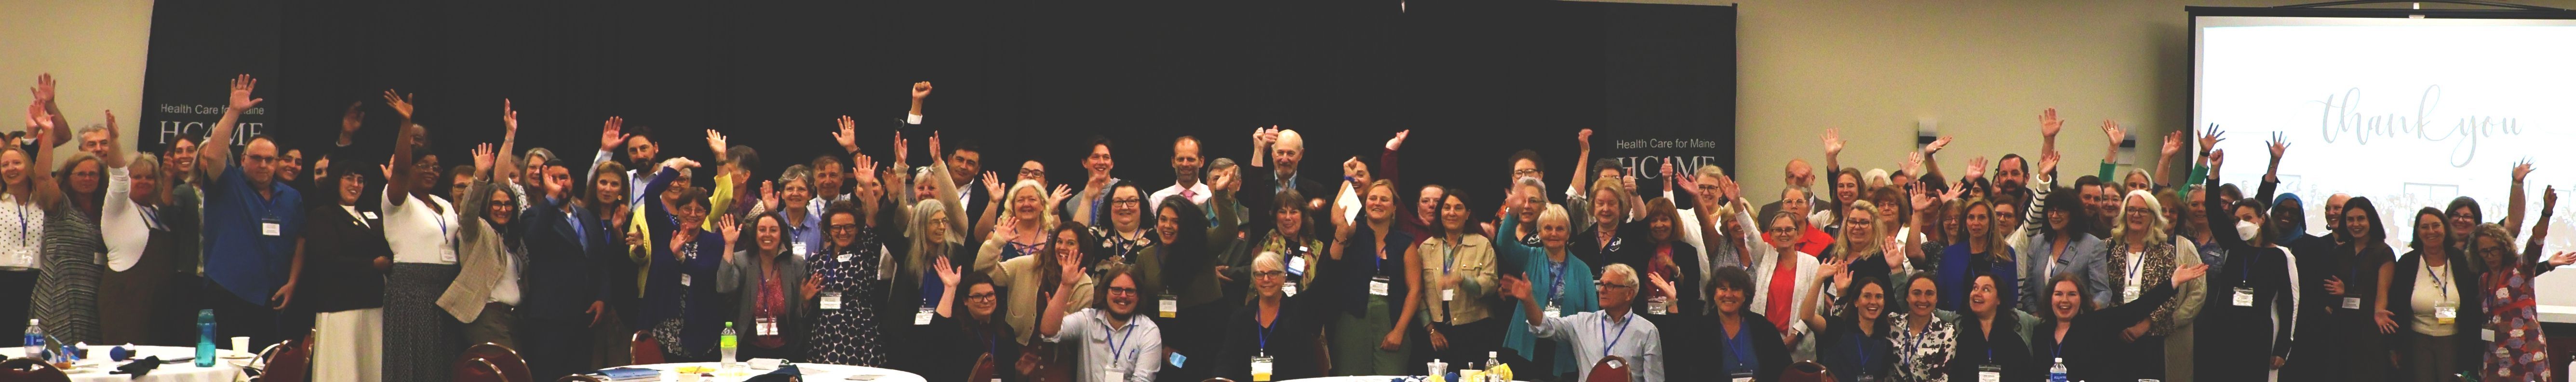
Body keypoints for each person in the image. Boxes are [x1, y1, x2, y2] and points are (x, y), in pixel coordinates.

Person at [2195, 155, 2298, 381]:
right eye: (2238, 219)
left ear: (2262, 219)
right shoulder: (2233, 246)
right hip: (2224, 331)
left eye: (2248, 218)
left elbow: (2288, 304)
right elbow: (2213, 211)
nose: (2242, 224)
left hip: (2258, 335)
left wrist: (2283, 347)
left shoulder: (2279, 256)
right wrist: (2214, 172)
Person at [374, 90, 451, 382]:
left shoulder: (444, 204)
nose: (431, 171)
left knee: (442, 366)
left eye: (436, 167)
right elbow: (402, 168)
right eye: (424, 166)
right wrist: (406, 124)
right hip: (412, 292)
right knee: (413, 367)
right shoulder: (398, 201)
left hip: (446, 294)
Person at [1321, 179, 1423, 376]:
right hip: (1353, 320)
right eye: (1372, 198)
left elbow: (1415, 290)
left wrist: (1399, 331)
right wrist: (1347, 180)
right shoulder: (1354, 230)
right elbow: (1337, 219)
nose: (1377, 203)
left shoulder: (1405, 242)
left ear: (1394, 208)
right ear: (1365, 204)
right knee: (1353, 378)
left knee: (1391, 376)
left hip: (1391, 320)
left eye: (1384, 200)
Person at [2100, 189, 2203, 382]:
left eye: (2142, 211)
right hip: (2114, 336)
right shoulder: (2108, 248)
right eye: (2131, 210)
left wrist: (2145, 324)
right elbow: (2102, 291)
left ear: (2153, 216)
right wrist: (2119, 325)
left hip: (2151, 337)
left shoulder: (2166, 252)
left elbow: (2171, 296)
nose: (2136, 215)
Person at [439, 141, 527, 354]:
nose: (503, 209)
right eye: (497, 204)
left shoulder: (513, 239)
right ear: (487, 206)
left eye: (508, 204)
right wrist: (479, 177)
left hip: (514, 319)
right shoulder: (477, 230)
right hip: (487, 317)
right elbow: (468, 213)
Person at [636, 159, 727, 362]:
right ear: (678, 210)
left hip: (701, 327)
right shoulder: (665, 233)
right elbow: (651, 193)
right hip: (663, 327)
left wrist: (681, 257)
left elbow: (706, 274)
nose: (692, 215)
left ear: (706, 215)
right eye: (687, 209)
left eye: (699, 211)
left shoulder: (714, 241)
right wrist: (676, 167)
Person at [1498, 202, 1597, 379]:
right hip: (1528, 344)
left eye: (1560, 229)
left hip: (1565, 348)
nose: (1553, 233)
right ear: (1540, 232)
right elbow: (1503, 243)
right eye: (1548, 228)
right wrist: (1513, 213)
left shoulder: (1583, 270)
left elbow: (1593, 317)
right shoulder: (1529, 257)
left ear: (1568, 234)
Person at [2384, 207, 2481, 381]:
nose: (2431, 232)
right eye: (2425, 227)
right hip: (2416, 340)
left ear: (2445, 228)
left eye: (2436, 226)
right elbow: (2396, 305)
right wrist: (2394, 346)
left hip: (2455, 340)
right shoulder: (2407, 263)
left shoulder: (2462, 260)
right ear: (2418, 232)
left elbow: (2473, 303)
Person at [1415, 190, 1501, 367]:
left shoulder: (1482, 244)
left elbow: (1491, 284)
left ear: (1468, 214)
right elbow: (1418, 292)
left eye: (1458, 208)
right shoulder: (1426, 248)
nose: (1452, 213)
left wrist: (1462, 281)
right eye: (1447, 208)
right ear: (1440, 213)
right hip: (1437, 331)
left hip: (1474, 329)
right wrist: (1431, 330)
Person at [1040, 263, 1163, 382]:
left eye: (1130, 291)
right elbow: (1049, 331)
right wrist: (1065, 285)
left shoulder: (1149, 331)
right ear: (1106, 292)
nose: (1124, 296)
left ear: (1138, 296)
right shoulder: (1088, 320)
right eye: (1117, 290)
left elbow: (1143, 380)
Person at [719, 212, 807, 361]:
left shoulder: (795, 264)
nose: (767, 235)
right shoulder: (742, 261)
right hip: (748, 348)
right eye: (762, 230)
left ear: (782, 234)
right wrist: (729, 245)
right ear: (755, 234)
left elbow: (799, 312)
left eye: (773, 230)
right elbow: (725, 287)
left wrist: (806, 301)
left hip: (787, 348)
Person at [1800, 263, 1893, 382]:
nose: (1873, 302)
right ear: (1856, 302)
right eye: (1867, 296)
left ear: (1884, 303)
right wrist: (1819, 279)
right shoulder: (1837, 327)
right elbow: (1807, 317)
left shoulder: (1885, 342)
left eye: (1879, 297)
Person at [1935, 198, 2018, 314]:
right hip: (1957, 322)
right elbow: (1941, 297)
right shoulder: (1950, 255)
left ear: (1991, 222)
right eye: (1971, 217)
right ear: (1965, 222)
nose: (1976, 223)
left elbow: (2011, 297)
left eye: (1982, 218)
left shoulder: (2005, 253)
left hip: (1996, 323)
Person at [1946, 273, 2028, 382]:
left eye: (1986, 289)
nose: (1977, 293)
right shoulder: (1959, 337)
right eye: (1975, 288)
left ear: (1999, 299)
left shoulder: (2014, 340)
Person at [1887, 272, 1955, 382]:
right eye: (1917, 293)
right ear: (1907, 297)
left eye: (1929, 294)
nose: (1923, 300)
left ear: (1937, 299)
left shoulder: (1946, 332)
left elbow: (1940, 378)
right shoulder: (1892, 323)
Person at [1148, 136, 1210, 213]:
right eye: (1181, 159)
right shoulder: (1157, 200)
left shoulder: (1212, 197)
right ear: (1173, 162)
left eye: (1191, 159)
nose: (1185, 164)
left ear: (1201, 161)